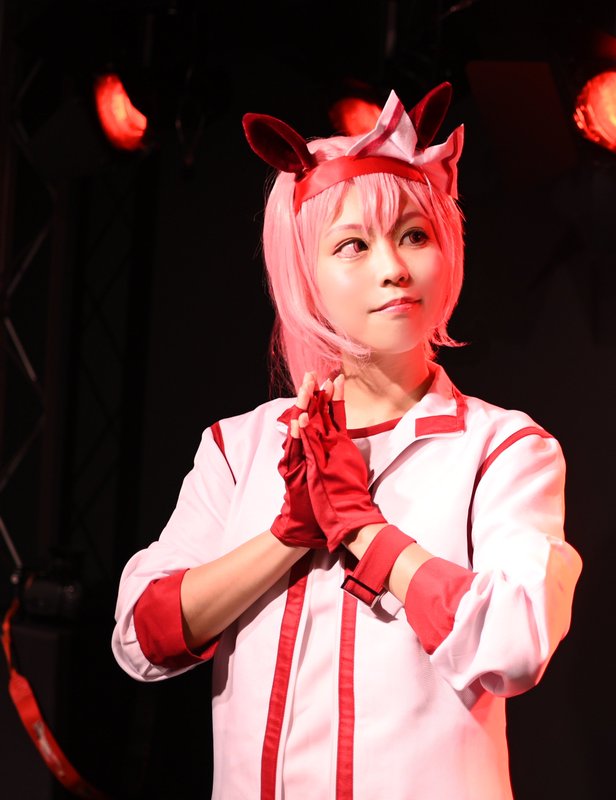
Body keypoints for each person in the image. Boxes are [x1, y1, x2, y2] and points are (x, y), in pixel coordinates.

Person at [111, 83, 583, 800]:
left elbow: (514, 644)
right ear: (305, 271)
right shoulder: (241, 449)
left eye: (414, 236)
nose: (393, 268)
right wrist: (290, 532)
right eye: (353, 245)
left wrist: (364, 530)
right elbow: (141, 637)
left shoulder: (503, 449)